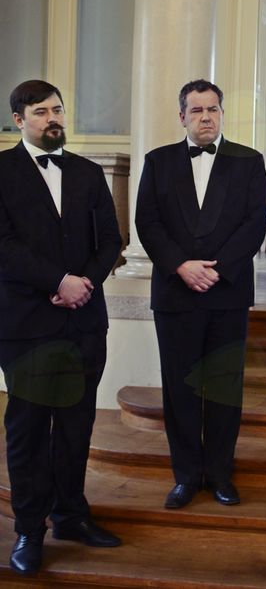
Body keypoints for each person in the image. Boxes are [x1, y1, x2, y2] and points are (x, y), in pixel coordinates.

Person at [0, 80, 123, 574]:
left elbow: (111, 239)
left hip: (84, 321)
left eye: (57, 109)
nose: (53, 118)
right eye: (40, 111)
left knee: (76, 425)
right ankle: (29, 529)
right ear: (19, 120)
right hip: (26, 324)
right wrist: (58, 282)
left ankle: (71, 515)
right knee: (28, 429)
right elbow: (3, 246)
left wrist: (84, 284)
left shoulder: (88, 173)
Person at [135, 79, 266, 509]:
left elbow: (254, 224)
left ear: (222, 114)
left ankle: (221, 474)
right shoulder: (158, 161)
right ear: (182, 117)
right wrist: (181, 266)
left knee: (225, 388)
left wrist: (217, 270)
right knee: (180, 390)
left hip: (227, 292)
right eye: (197, 110)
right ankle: (187, 476)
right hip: (175, 293)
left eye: (213, 109)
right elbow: (147, 221)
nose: (206, 117)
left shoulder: (249, 161)